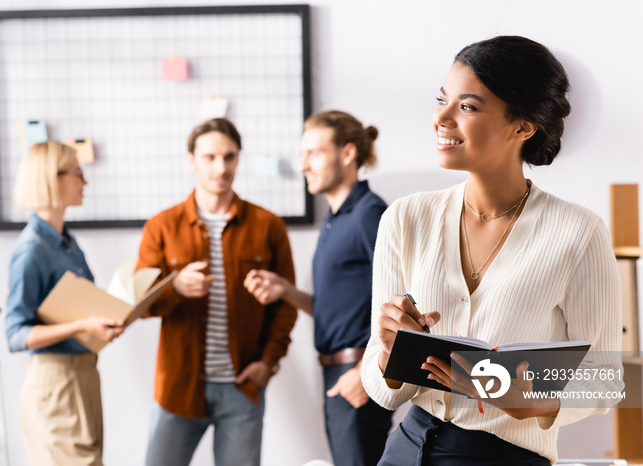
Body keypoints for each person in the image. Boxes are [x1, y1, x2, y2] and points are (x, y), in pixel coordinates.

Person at [360, 35, 623, 465]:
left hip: (504, 455)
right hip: (406, 447)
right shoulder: (405, 219)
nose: (441, 118)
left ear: (522, 126)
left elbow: (607, 378)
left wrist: (535, 397)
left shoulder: (578, 233)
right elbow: (382, 391)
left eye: (467, 106)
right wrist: (390, 352)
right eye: (442, 100)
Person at [136, 118, 298, 466]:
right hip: (179, 389)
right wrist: (175, 287)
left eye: (229, 157)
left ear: (238, 158)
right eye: (210, 157)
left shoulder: (268, 225)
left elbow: (285, 304)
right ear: (191, 159)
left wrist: (268, 362)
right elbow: (140, 305)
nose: (221, 168)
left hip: (243, 387)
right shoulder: (161, 227)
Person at [244, 110, 392, 466]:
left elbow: (408, 300)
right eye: (302, 154)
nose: (303, 165)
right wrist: (287, 292)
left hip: (359, 372)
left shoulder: (369, 215)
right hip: (338, 372)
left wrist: (368, 373)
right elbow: (341, 307)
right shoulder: (334, 220)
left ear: (347, 153)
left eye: (314, 153)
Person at [5, 141, 125, 466]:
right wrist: (83, 326)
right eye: (77, 173)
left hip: (84, 376)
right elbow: (16, 334)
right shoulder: (31, 250)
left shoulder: (67, 244)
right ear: (52, 178)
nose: (85, 182)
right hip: (55, 383)